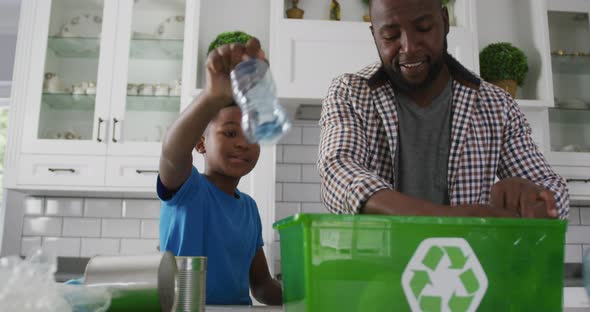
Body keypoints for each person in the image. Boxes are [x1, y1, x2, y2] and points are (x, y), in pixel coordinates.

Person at [318, 0, 570, 219]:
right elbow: (338, 172)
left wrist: (534, 199)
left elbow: (553, 191)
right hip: (378, 270)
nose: (409, 47)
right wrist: (455, 217)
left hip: (466, 272)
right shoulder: (349, 93)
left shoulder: (497, 105)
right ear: (374, 35)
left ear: (444, 21)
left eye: (423, 28)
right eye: (391, 36)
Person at [157, 37, 282, 305]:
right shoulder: (188, 190)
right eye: (229, 133)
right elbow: (172, 152)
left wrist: (312, 289)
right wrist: (212, 97)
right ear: (200, 143)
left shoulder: (249, 209)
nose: (242, 142)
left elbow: (262, 287)